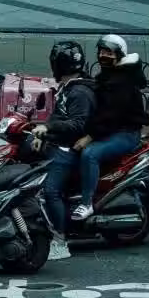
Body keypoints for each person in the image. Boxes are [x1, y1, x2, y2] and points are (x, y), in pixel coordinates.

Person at [29, 41, 96, 261]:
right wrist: (43, 134)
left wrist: (48, 128)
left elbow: (77, 124)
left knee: (50, 192)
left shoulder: (80, 92)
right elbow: (58, 116)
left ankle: (60, 240)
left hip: (68, 149)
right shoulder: (69, 87)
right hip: (59, 143)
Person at [72, 35, 149, 221]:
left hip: (125, 134)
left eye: (108, 53)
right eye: (101, 52)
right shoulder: (110, 74)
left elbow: (111, 115)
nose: (102, 56)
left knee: (90, 154)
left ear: (119, 55)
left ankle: (86, 203)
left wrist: (89, 137)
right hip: (111, 130)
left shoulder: (123, 81)